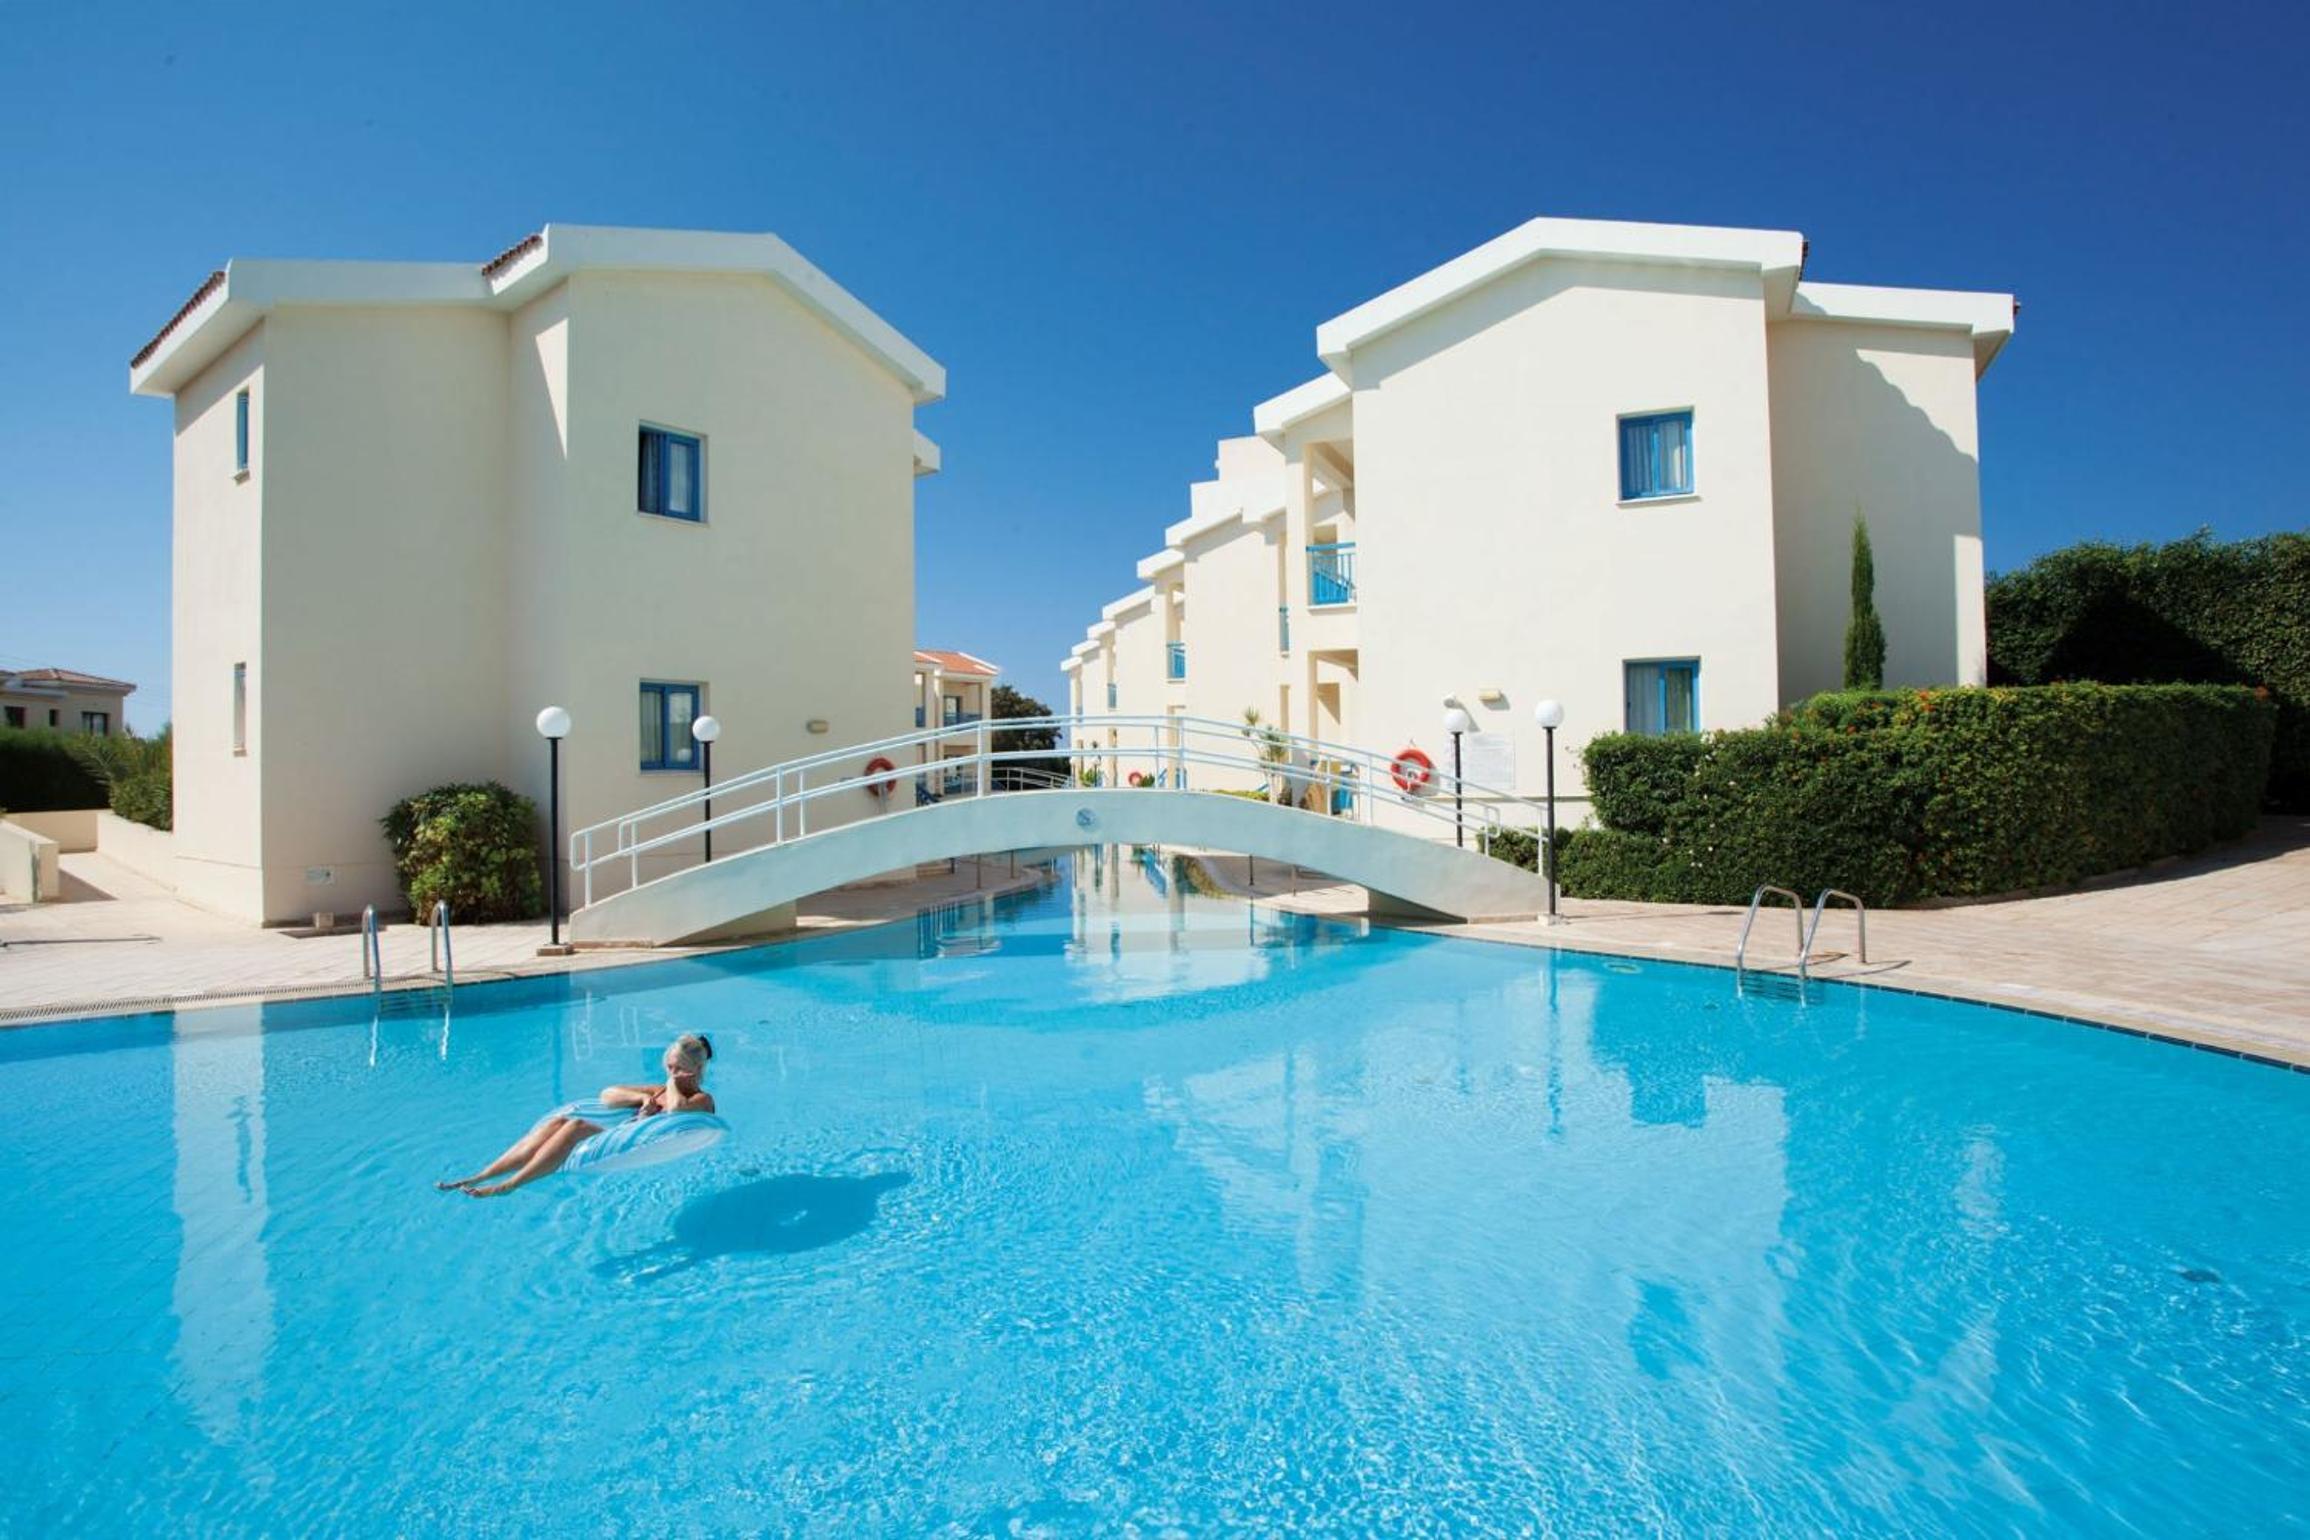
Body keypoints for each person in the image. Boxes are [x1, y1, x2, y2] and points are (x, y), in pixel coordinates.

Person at [438, 1033, 717, 1198]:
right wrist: (643, 1100)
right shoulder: (656, 1091)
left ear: (694, 1069)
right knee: (559, 1123)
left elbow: (679, 1111)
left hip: (637, 1143)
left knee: (575, 1127)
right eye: (668, 1067)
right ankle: (480, 1175)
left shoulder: (701, 1099)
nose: (670, 1073)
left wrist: (670, 1085)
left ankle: (510, 1185)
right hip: (626, 1132)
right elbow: (607, 1094)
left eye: (677, 1068)